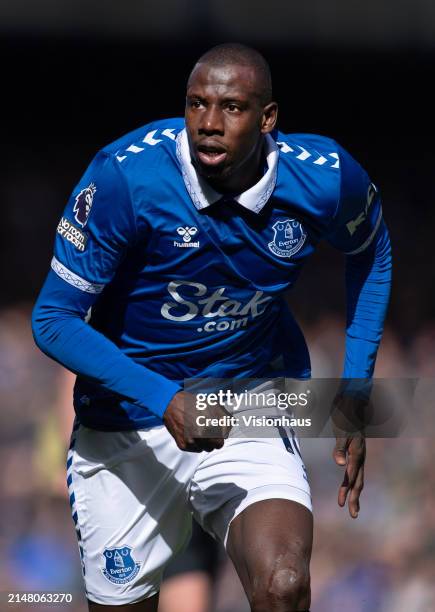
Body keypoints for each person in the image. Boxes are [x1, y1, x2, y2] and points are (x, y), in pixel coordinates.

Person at [31, 43, 392, 611]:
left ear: (268, 119)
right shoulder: (127, 178)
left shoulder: (326, 178)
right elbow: (52, 320)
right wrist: (164, 397)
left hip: (246, 398)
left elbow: (372, 255)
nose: (208, 124)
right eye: (196, 105)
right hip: (126, 418)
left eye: (231, 107)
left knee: (284, 584)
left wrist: (355, 389)